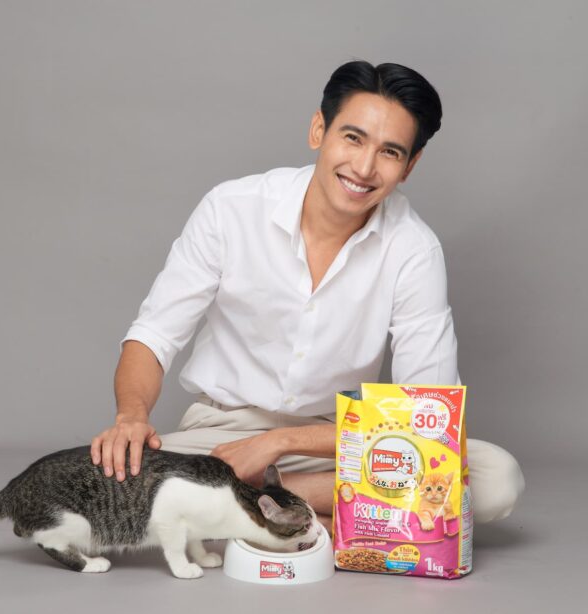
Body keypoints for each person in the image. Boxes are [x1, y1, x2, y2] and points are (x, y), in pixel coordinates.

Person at [90, 60, 524, 527]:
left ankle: (247, 501)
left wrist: (280, 443)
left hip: (340, 442)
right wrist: (131, 416)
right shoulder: (231, 209)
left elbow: (428, 412)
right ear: (319, 129)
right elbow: (154, 335)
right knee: (100, 486)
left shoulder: (414, 250)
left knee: (495, 479)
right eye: (353, 138)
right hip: (222, 434)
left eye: (390, 152)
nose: (364, 167)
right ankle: (329, 516)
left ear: (409, 166)